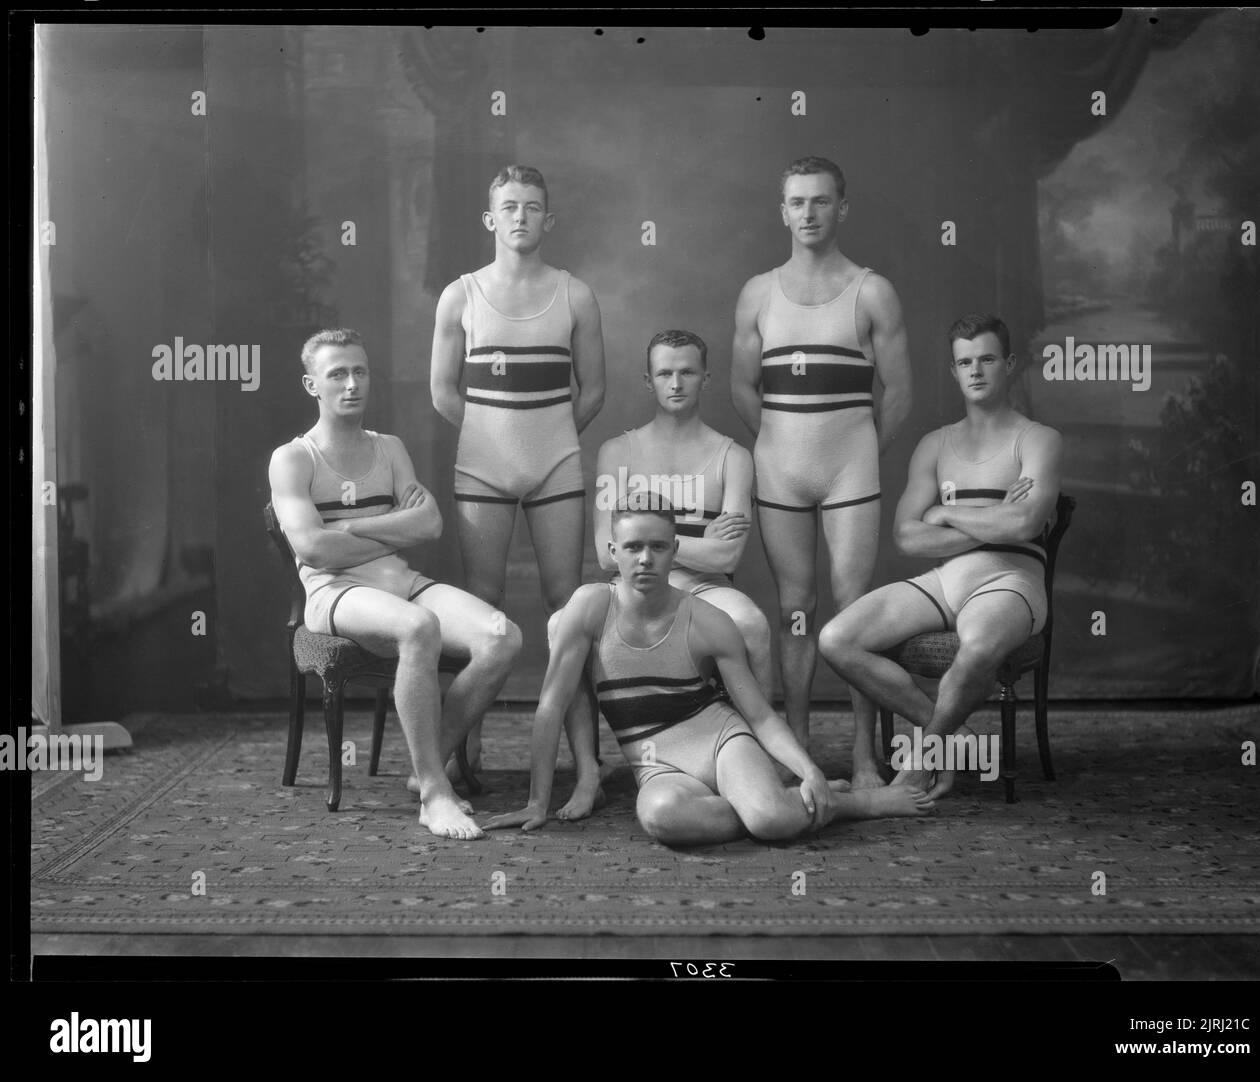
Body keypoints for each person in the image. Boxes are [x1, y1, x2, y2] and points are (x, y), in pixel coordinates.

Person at [485, 504, 934, 844]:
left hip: (720, 741)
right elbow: (550, 706)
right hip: (657, 764)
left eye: (658, 546)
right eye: (632, 547)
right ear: (611, 552)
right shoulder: (589, 607)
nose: (645, 559)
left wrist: (806, 768)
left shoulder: (707, 620)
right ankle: (784, 802)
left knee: (770, 823)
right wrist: (537, 801)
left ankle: (845, 802)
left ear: (675, 550)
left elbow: (758, 716)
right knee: (660, 817)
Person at [269, 329, 522, 839]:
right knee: (418, 628)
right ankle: (434, 792)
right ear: (310, 384)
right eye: (336, 374)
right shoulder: (293, 459)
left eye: (360, 371)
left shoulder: (390, 449)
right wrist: (389, 530)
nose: (351, 384)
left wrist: (352, 527)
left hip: (402, 582)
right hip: (335, 593)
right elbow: (314, 551)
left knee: (501, 636)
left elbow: (428, 526)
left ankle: (427, 759)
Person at [818, 314, 1063, 797]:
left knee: (976, 650)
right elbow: (907, 538)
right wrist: (991, 513)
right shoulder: (935, 444)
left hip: (1010, 581)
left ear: (1009, 364)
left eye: (987, 359)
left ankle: (920, 762)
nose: (976, 371)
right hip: (943, 581)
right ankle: (956, 739)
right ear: (954, 372)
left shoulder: (1037, 439)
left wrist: (947, 513)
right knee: (836, 638)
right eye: (965, 362)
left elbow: (1026, 524)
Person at [731, 155, 914, 789]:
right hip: (780, 473)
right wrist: (783, 446)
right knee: (795, 612)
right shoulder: (758, 292)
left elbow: (898, 393)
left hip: (850, 477)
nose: (808, 213)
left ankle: (865, 758)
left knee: (854, 616)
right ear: (782, 211)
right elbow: (742, 387)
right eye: (797, 202)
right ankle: (799, 753)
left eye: (820, 201)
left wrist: (857, 451)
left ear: (842, 208)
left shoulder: (872, 290)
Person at [429, 165, 606, 818]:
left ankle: (586, 769)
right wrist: (493, 441)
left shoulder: (575, 294)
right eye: (509, 207)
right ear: (490, 219)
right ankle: (462, 760)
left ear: (547, 220)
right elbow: (444, 391)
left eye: (533, 207)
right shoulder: (461, 295)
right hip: (483, 470)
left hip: (556, 465)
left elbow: (593, 391)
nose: (521, 217)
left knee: (570, 611)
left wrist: (547, 438)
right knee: (484, 609)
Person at [590, 328, 772, 698]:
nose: (676, 383)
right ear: (648, 381)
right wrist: (695, 544)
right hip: (631, 588)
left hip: (707, 588)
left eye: (687, 373)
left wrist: (642, 541)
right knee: (566, 626)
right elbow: (605, 553)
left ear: (705, 379)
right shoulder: (616, 453)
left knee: (752, 623)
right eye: (664, 374)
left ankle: (762, 745)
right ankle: (587, 756)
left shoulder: (734, 458)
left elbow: (727, 555)